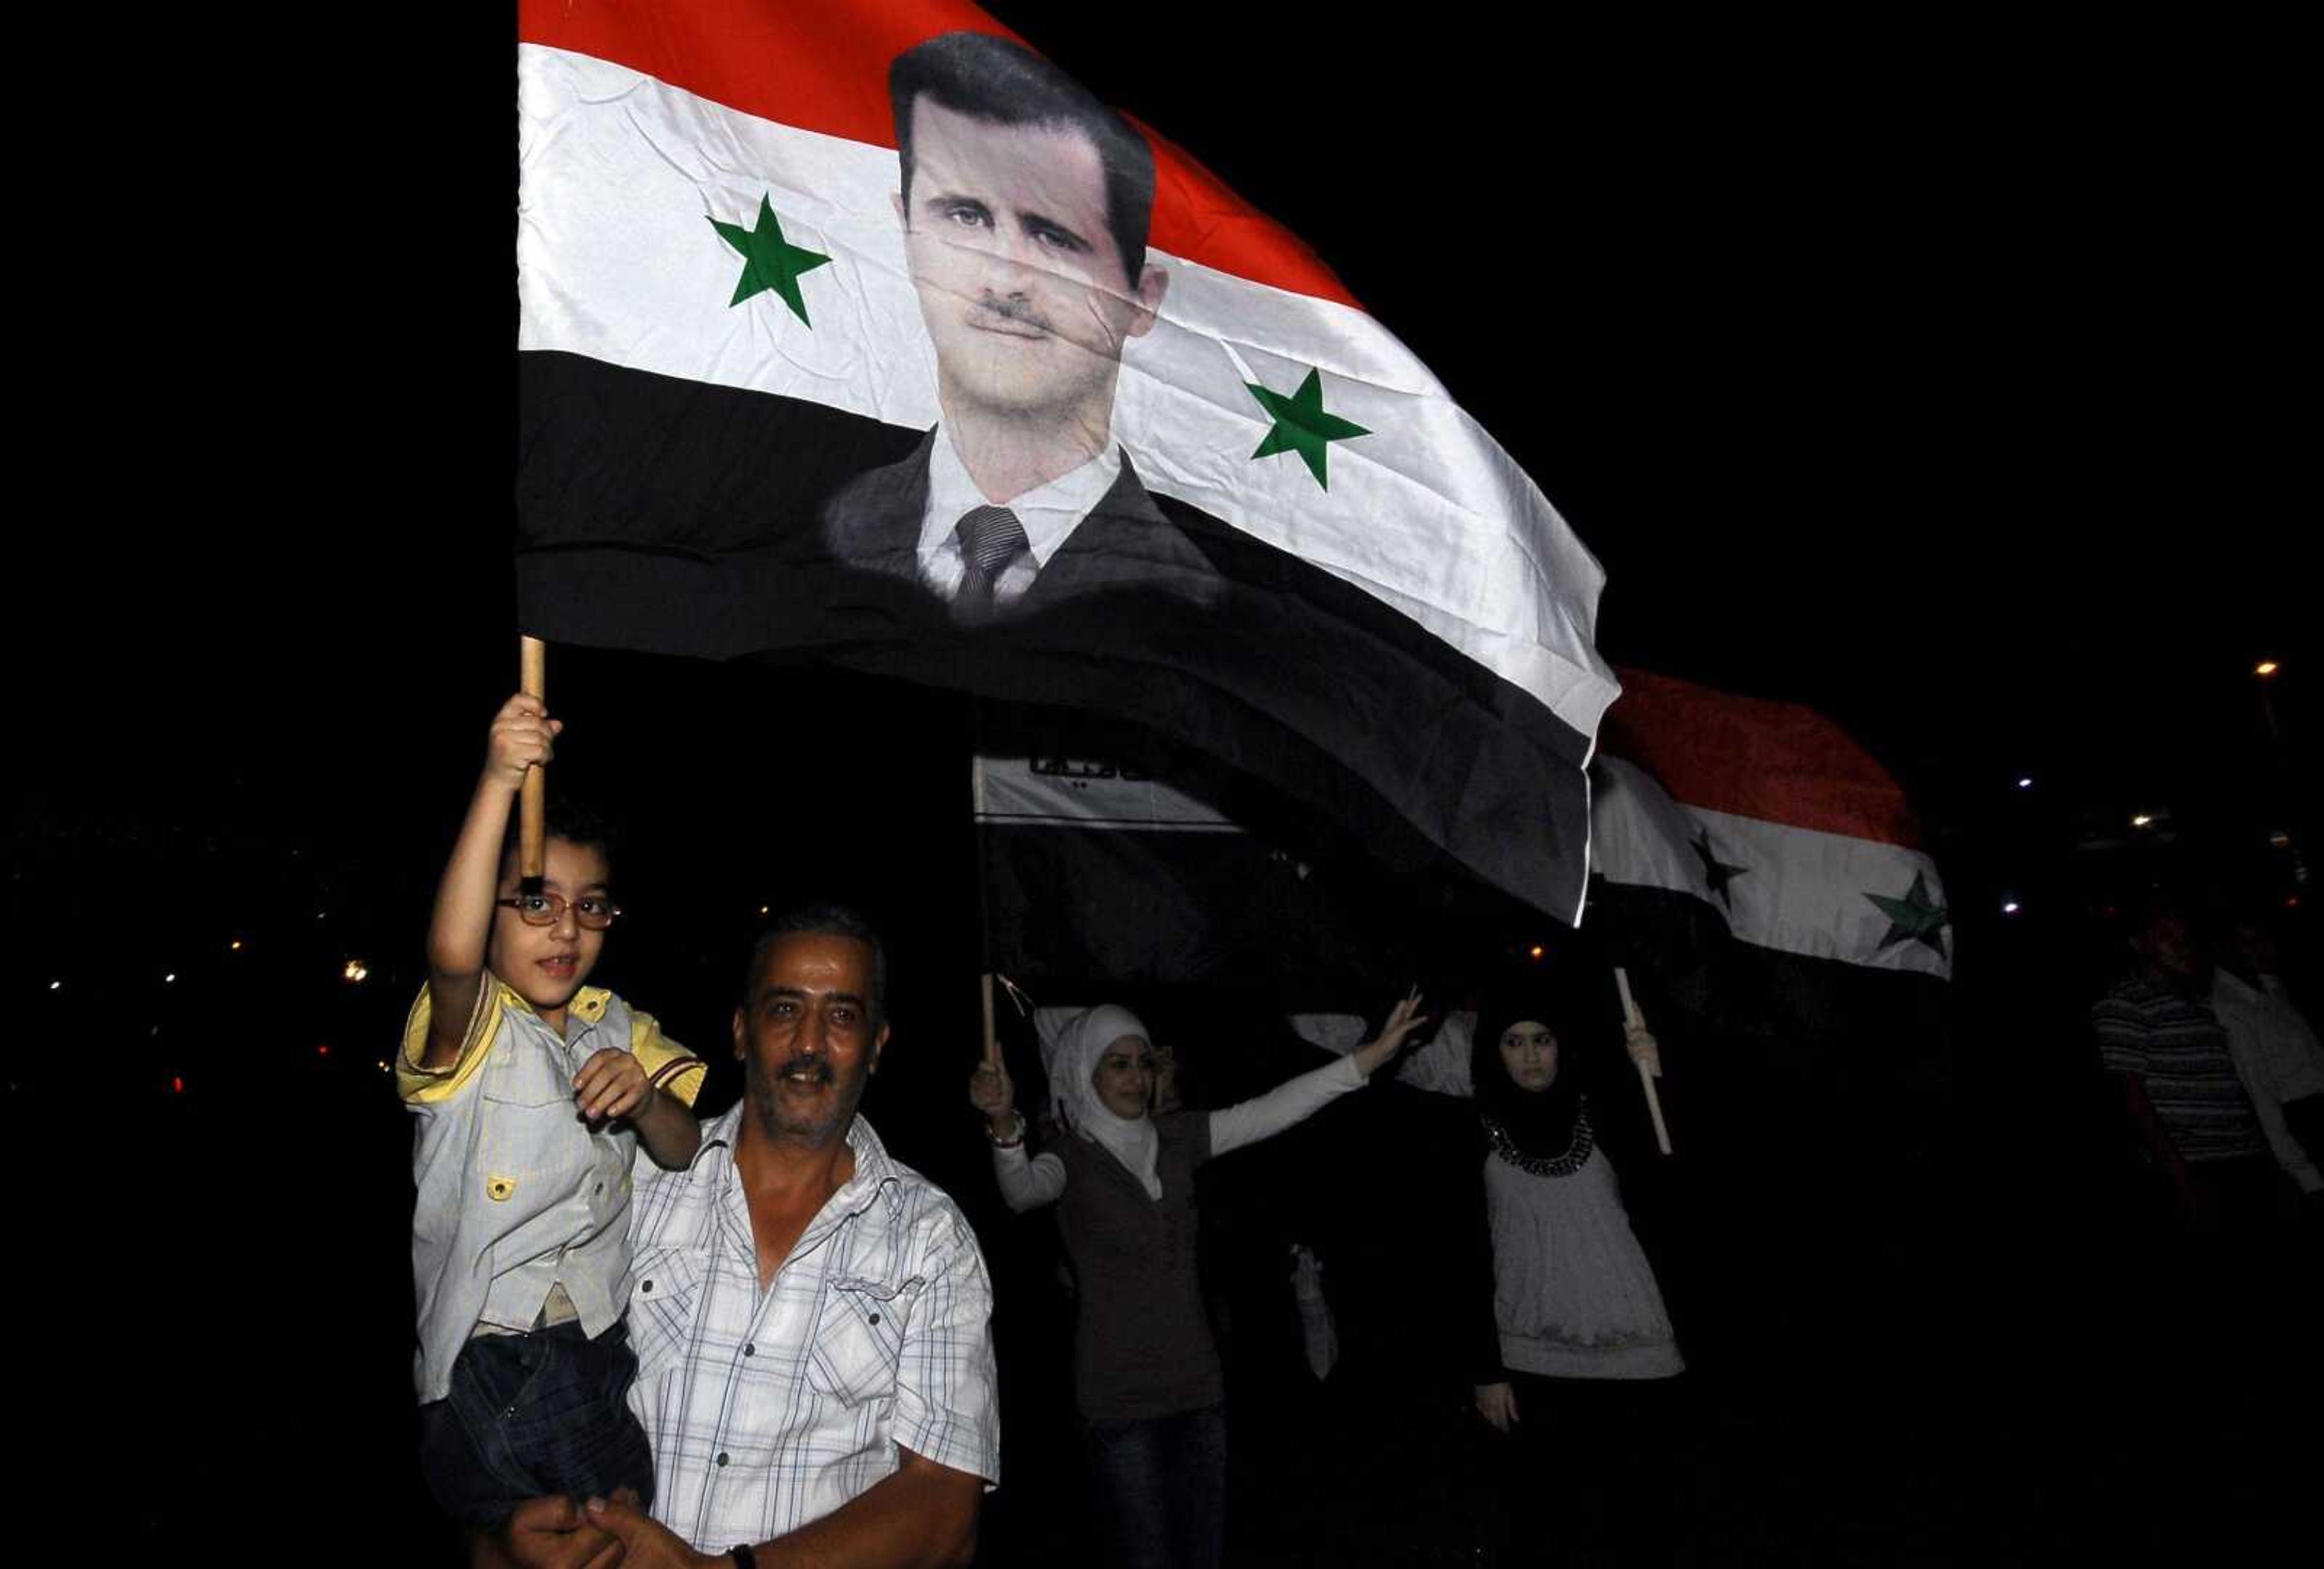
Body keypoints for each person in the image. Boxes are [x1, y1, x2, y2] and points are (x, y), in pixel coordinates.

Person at [496, 904, 1002, 1569]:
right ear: (741, 1031)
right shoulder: (629, 1182)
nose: (812, 1043)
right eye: (786, 1009)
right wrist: (505, 1539)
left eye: (843, 1016)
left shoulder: (931, 1240)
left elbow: (945, 1509)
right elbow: (505, 1375)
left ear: (878, 1045)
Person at [967, 992, 1428, 1568]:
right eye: (1118, 1063)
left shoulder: (1180, 1138)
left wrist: (1366, 1059)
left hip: (1198, 1391)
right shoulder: (1071, 1157)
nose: (1136, 1078)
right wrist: (1004, 1125)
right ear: (1087, 1071)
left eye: (1143, 1063)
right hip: (1120, 1400)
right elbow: (1023, 1190)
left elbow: (1274, 1108)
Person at [399, 692, 707, 1532]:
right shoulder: (472, 1032)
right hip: (499, 1360)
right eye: (536, 901)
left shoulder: (620, 1024)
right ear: (492, 916)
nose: (565, 928)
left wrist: (645, 1097)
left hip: (601, 1346)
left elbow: (683, 1146)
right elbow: (450, 955)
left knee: (624, 1528)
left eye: (590, 904)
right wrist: (500, 779)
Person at [821, 30, 1223, 623]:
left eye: (1054, 237)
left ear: (1142, 299)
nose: (1004, 281)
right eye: (966, 215)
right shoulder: (826, 523)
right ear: (907, 235)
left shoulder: (1198, 599)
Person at [1442, 981, 1685, 1568]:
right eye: (1515, 1041)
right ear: (1494, 1051)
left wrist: (1655, 1079)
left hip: (1636, 1353)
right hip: (1533, 1360)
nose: (1531, 1056)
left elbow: (1673, 1186)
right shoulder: (1468, 1132)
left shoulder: (1603, 1111)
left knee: (1638, 1526)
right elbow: (1464, 1257)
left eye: (1543, 1040)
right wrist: (1484, 1372)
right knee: (1546, 1531)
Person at [2093, 891, 2274, 1234]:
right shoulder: (2123, 1005)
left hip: (2244, 1159)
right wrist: (2181, 1178)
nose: (2180, 946)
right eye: (2166, 937)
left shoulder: (2202, 1006)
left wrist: (2270, 1159)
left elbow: (2236, 1090)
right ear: (2140, 944)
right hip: (2193, 1164)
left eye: (2184, 937)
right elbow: (2132, 1098)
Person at [2208, 906, 2324, 1205]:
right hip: (2303, 1123)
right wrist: (2304, 1171)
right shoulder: (2229, 1005)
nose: (2265, 949)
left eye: (2266, 939)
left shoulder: (2270, 986)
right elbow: (2260, 1094)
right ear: (2226, 949)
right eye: (2251, 943)